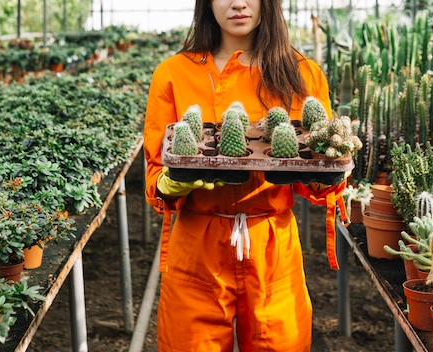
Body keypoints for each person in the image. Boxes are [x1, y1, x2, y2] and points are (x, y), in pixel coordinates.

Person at [143, 0, 349, 351]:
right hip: (198, 244)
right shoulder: (174, 73)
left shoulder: (303, 73)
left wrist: (326, 176)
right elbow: (155, 172)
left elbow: (322, 161)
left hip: (272, 242)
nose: (238, 3)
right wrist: (169, 182)